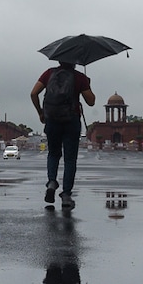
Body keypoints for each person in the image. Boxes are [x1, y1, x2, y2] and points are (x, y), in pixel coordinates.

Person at [30, 61, 95, 209]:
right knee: (70, 159)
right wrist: (87, 84)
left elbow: (33, 93)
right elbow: (91, 102)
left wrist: (41, 112)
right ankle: (66, 195)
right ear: (75, 62)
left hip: (52, 120)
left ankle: (52, 182)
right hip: (71, 120)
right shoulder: (79, 77)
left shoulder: (49, 73)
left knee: (53, 154)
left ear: (59, 60)